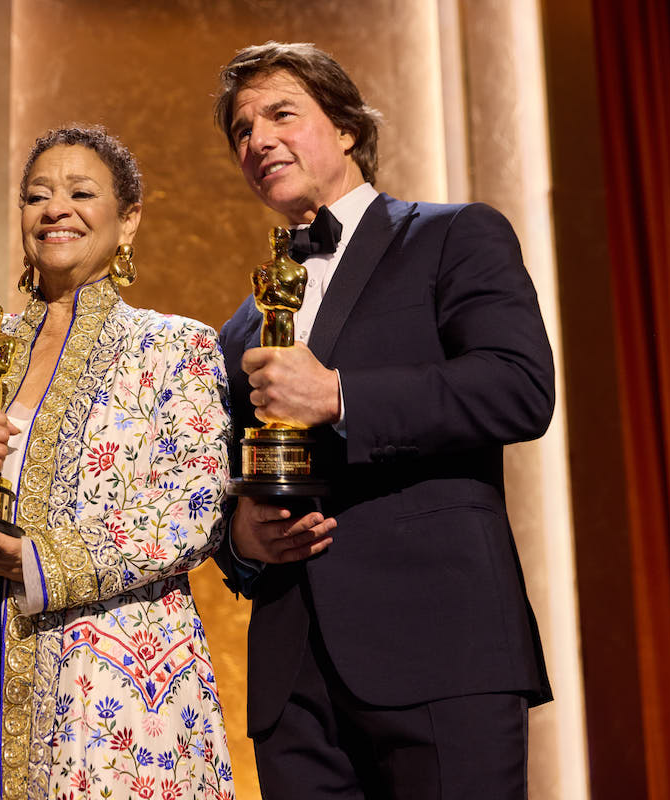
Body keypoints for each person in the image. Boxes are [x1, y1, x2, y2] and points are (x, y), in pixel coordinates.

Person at [0, 126, 248, 800]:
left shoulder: (173, 348)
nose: (55, 209)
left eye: (81, 193)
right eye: (37, 195)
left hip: (114, 681)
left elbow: (190, 514)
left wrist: (32, 560)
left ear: (129, 220)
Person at [213, 43, 555, 798]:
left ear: (343, 127)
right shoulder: (239, 328)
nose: (257, 139)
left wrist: (340, 396)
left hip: (443, 647)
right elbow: (226, 481)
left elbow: (520, 388)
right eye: (241, 130)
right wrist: (241, 541)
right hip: (293, 684)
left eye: (280, 114)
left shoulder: (453, 234)